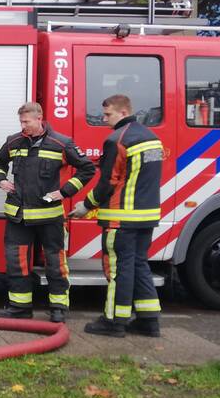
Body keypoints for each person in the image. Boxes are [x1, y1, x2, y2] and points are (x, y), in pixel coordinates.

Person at [0, 102, 95, 323]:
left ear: (40, 119)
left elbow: (88, 169)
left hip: (49, 217)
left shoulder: (61, 143)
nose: (23, 126)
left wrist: (65, 191)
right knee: (16, 262)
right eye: (21, 121)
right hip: (18, 216)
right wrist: (0, 180)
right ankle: (20, 307)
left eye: (26, 122)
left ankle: (58, 308)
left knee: (54, 262)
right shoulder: (14, 141)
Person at [69, 94, 163, 338]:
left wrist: (86, 205)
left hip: (121, 219)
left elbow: (108, 182)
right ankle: (148, 321)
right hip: (147, 216)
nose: (104, 118)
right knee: (139, 265)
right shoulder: (151, 138)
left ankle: (114, 321)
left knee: (118, 269)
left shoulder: (117, 140)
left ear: (123, 112)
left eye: (108, 114)